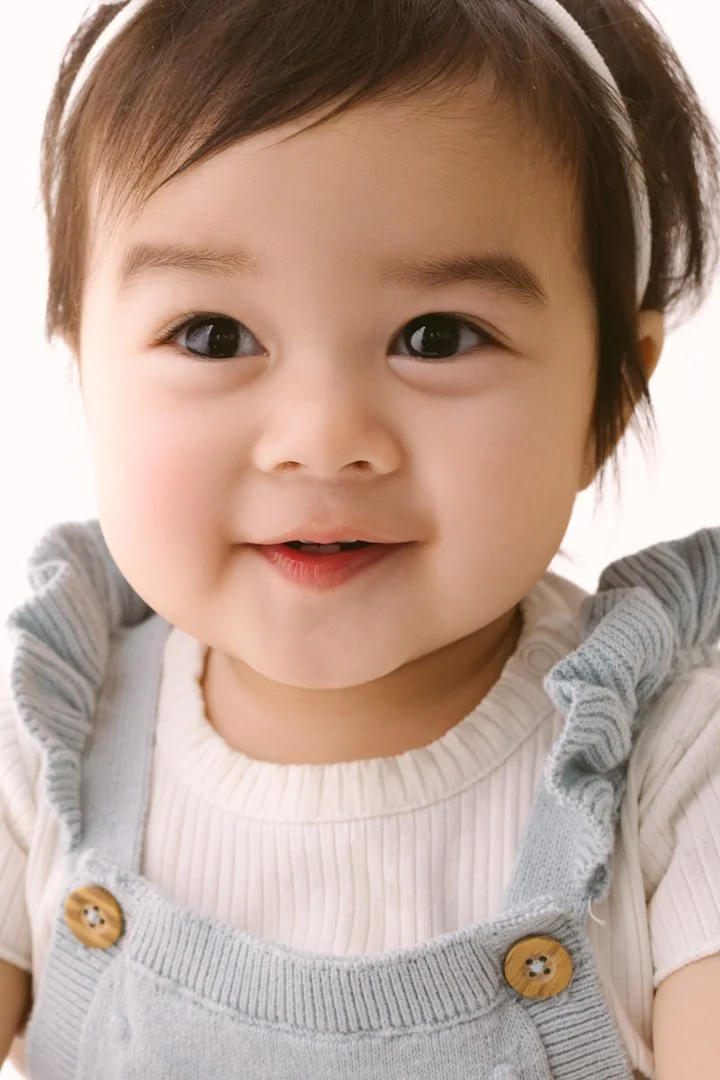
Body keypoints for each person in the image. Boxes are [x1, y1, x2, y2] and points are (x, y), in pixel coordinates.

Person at [1, 0, 719, 1076]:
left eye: (436, 338)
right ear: (84, 374)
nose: (323, 442)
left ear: (604, 408)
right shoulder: (41, 748)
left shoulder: (673, 772)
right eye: (213, 336)